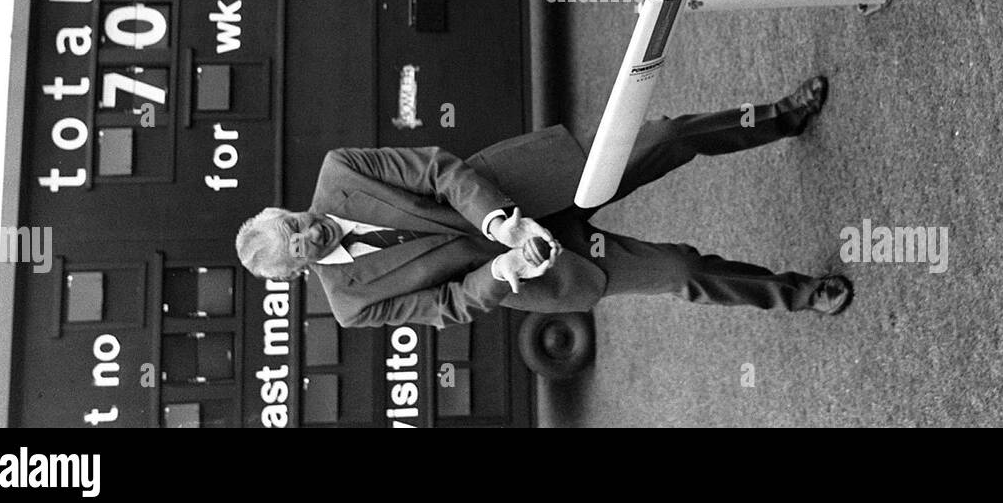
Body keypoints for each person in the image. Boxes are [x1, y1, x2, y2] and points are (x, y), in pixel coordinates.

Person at [235, 76, 851, 328]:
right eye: (296, 249)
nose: (307, 234)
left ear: (285, 207)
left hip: (526, 188)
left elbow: (437, 171)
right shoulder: (350, 305)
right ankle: (802, 294)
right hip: (538, 265)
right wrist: (504, 267)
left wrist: (499, 219)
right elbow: (446, 305)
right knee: (681, 274)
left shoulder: (340, 170)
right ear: (294, 274)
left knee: (665, 137)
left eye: (294, 223)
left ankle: (781, 118)